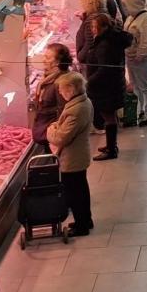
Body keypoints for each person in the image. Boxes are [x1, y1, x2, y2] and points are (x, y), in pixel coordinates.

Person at [75, 0, 131, 160]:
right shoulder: (112, 37)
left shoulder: (104, 44)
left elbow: (103, 67)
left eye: (94, 27)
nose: (92, 29)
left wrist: (88, 81)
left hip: (106, 86)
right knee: (110, 115)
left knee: (108, 116)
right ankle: (110, 145)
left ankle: (111, 149)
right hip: (112, 84)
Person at [47, 71, 93, 236]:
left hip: (72, 157)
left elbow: (61, 137)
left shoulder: (76, 110)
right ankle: (86, 220)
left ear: (72, 89)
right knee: (81, 189)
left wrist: (50, 129)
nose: (60, 92)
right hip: (79, 154)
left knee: (75, 193)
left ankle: (82, 226)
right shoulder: (83, 102)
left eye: (62, 89)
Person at [28, 43, 74, 154]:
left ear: (57, 63)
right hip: (47, 133)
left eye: (48, 58)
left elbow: (63, 112)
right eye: (44, 56)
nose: (44, 60)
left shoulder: (61, 83)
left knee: (54, 163)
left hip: (53, 137)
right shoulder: (49, 77)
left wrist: (56, 134)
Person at [123, 0, 147, 126]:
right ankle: (139, 110)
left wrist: (140, 55)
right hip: (131, 57)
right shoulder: (132, 17)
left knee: (144, 86)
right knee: (135, 85)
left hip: (143, 59)